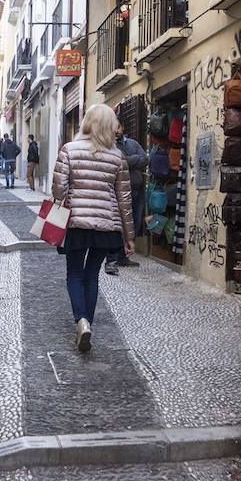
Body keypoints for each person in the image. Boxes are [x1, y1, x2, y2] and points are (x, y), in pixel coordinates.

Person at [52, 103, 134, 351]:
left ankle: (82, 321)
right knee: (92, 275)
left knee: (74, 274)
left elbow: (58, 191)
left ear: (86, 122)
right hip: (106, 226)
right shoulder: (117, 157)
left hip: (76, 223)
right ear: (111, 127)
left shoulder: (69, 150)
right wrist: (129, 236)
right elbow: (125, 200)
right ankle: (88, 323)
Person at [104, 123, 147, 275]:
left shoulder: (133, 143)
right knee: (118, 224)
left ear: (123, 128)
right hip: (118, 191)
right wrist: (134, 159)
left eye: (118, 127)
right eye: (112, 127)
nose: (115, 130)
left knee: (133, 222)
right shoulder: (108, 146)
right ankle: (113, 258)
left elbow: (145, 160)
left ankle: (124, 256)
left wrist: (130, 160)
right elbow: (119, 163)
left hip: (137, 190)